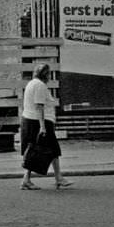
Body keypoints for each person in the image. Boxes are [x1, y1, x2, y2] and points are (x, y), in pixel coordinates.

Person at [20, 62, 72, 190]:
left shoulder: (31, 84)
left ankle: (28, 179)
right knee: (50, 150)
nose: (49, 76)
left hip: (30, 121)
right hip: (39, 123)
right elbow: (39, 106)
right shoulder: (40, 86)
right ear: (46, 74)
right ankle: (57, 178)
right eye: (48, 73)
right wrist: (42, 126)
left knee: (37, 151)